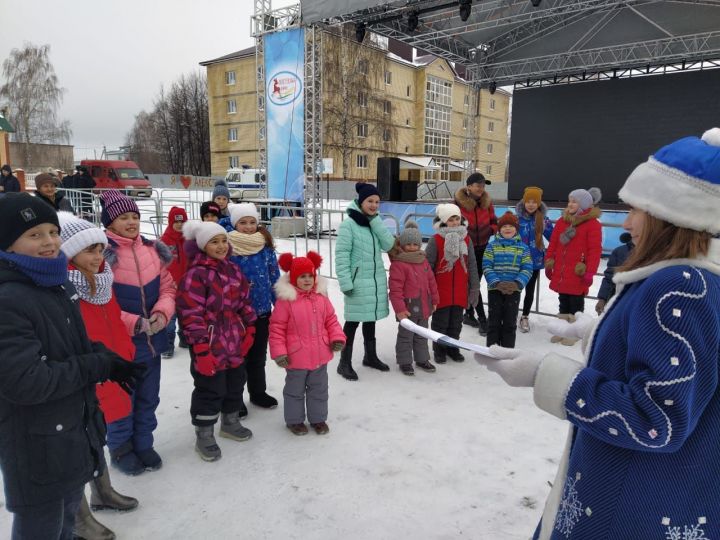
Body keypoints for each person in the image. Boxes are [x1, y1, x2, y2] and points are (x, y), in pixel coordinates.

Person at [477, 130, 720, 539]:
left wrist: (545, 375)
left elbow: (657, 419)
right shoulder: (695, 279)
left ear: (672, 215)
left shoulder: (680, 285)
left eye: (636, 210)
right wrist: (594, 331)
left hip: (630, 506)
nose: (626, 223)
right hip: (658, 495)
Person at [0, 193, 143, 540]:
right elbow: (26, 381)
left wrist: (106, 359)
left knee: (65, 520)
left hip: (69, 430)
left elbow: (69, 345)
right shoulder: (8, 298)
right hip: (36, 445)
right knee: (44, 527)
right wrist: (95, 364)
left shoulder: (53, 283)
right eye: (34, 235)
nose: (49, 242)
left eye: (52, 231)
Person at [57, 212, 140, 539]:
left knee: (96, 434)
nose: (96, 257)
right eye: (88, 250)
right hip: (85, 374)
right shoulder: (64, 288)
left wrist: (125, 352)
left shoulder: (103, 279)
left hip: (109, 366)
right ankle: (79, 517)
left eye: (99, 249)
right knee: (78, 443)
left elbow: (114, 318)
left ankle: (102, 492)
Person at [100, 189, 176, 475]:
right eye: (123, 217)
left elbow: (168, 286)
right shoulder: (102, 255)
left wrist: (161, 313)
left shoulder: (152, 250)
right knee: (122, 400)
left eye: (134, 216)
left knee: (148, 396)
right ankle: (120, 449)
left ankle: (144, 442)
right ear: (109, 222)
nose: (131, 222)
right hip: (120, 346)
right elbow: (100, 302)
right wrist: (135, 322)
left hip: (152, 342)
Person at [176, 221, 257, 461]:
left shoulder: (232, 269)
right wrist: (200, 347)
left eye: (223, 241)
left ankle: (230, 421)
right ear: (202, 246)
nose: (221, 246)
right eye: (214, 242)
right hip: (209, 340)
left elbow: (244, 300)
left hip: (233, 336)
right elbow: (190, 313)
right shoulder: (196, 275)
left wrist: (250, 327)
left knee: (235, 381)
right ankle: (204, 433)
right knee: (210, 387)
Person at [270, 251, 345, 435]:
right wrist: (279, 352)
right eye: (302, 276)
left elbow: (331, 321)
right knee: (295, 391)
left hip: (320, 354)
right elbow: (277, 328)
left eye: (310, 276)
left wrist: (337, 338)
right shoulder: (286, 301)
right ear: (294, 278)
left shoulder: (321, 297)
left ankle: (318, 419)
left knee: (319, 390)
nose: (307, 280)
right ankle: (294, 420)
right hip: (296, 356)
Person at [335, 182, 396, 380]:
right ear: (361, 202)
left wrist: (375, 221)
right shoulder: (348, 225)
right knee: (352, 322)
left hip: (375, 279)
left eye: (377, 202)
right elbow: (342, 255)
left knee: (370, 319)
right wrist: (345, 282)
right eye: (370, 201)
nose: (374, 205)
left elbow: (388, 244)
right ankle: (344, 363)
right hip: (357, 282)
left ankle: (370, 356)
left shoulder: (374, 223)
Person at [228, 202, 279, 411]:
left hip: (262, 311)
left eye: (252, 222)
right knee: (239, 358)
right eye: (243, 222)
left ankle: (258, 392)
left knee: (258, 356)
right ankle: (235, 399)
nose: (248, 227)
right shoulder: (227, 247)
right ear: (235, 224)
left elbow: (274, 277)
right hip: (237, 315)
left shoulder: (264, 247)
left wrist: (280, 305)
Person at [544, 187, 602, 345]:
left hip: (578, 272)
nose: (570, 204)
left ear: (583, 205)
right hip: (562, 272)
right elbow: (554, 243)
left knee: (576, 304)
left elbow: (594, 250)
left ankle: (574, 333)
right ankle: (562, 330)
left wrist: (590, 271)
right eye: (569, 200)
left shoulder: (592, 225)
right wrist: (549, 261)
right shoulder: (563, 221)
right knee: (563, 300)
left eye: (574, 201)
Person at [426, 203, 480, 363]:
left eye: (457, 218)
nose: (455, 222)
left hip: (460, 290)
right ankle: (439, 349)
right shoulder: (435, 240)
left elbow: (471, 264)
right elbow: (428, 267)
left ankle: (453, 347)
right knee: (440, 323)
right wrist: (429, 289)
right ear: (443, 221)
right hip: (441, 290)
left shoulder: (467, 239)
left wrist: (474, 287)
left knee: (456, 323)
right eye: (451, 219)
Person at [388, 221, 439, 376]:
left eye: (415, 244)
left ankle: (422, 359)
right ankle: (405, 362)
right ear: (402, 245)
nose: (412, 247)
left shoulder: (422, 260)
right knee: (406, 336)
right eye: (408, 244)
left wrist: (435, 300)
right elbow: (395, 290)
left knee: (422, 335)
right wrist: (400, 309)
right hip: (408, 308)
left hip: (424, 305)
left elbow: (431, 281)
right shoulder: (399, 264)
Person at [482, 211, 533, 348]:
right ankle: (492, 349)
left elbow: (527, 268)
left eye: (511, 226)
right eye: (504, 226)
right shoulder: (492, 246)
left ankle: (507, 350)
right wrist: (496, 282)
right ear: (499, 229)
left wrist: (517, 283)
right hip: (495, 289)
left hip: (513, 291)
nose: (507, 229)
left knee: (510, 322)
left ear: (516, 229)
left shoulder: (523, 248)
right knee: (494, 321)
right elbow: (486, 265)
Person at [455, 172, 497, 336]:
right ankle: (483, 319)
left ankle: (469, 314)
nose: (481, 188)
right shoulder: (458, 203)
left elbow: (494, 221)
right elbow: (451, 223)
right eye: (478, 185)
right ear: (469, 186)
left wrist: (490, 230)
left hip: (484, 247)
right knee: (474, 284)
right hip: (467, 249)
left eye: (483, 185)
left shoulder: (487, 203)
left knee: (476, 282)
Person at [515, 186, 554, 333]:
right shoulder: (516, 219)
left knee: (529, 291)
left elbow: (554, 238)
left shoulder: (544, 220)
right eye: (528, 201)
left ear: (539, 204)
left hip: (535, 262)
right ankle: (512, 313)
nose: (531, 204)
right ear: (523, 202)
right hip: (517, 261)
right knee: (516, 289)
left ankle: (525, 316)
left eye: (534, 201)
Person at [160, 206, 189, 358]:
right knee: (170, 318)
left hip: (186, 286)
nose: (179, 225)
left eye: (182, 221)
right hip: (170, 287)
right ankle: (167, 344)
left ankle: (184, 339)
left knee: (185, 316)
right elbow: (160, 265)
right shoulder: (164, 241)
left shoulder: (189, 241)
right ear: (170, 222)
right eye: (176, 221)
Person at [595, 232, 634, 315]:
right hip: (618, 302)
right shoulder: (619, 252)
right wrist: (602, 299)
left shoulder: (655, 253)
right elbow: (609, 277)